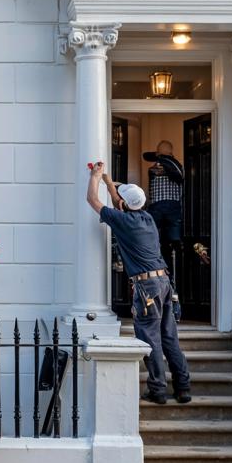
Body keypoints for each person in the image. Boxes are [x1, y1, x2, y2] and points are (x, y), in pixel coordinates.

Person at [86, 162, 192, 405]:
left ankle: (157, 389)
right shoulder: (146, 218)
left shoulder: (124, 222)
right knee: (169, 337)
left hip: (147, 288)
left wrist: (94, 177)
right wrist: (108, 179)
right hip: (164, 281)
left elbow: (92, 199)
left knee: (149, 337)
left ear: (123, 204)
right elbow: (117, 200)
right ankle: (183, 386)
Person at [144, 140, 185, 276]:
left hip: (160, 206)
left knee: (158, 240)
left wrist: (161, 159)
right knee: (169, 241)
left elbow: (178, 177)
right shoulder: (176, 168)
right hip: (169, 207)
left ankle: (165, 270)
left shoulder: (158, 169)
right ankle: (170, 271)